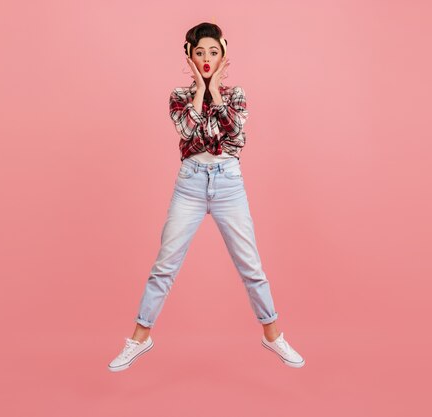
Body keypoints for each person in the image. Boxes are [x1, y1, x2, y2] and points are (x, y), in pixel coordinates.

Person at [108, 22, 304, 372]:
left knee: (251, 267)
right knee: (164, 267)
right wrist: (200, 88)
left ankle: (273, 335)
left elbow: (233, 132)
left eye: (213, 51)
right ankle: (139, 339)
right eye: (199, 53)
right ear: (189, 56)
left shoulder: (237, 94)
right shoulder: (179, 96)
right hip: (191, 185)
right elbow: (186, 131)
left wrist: (214, 91)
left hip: (228, 184)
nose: (206, 58)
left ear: (224, 54)